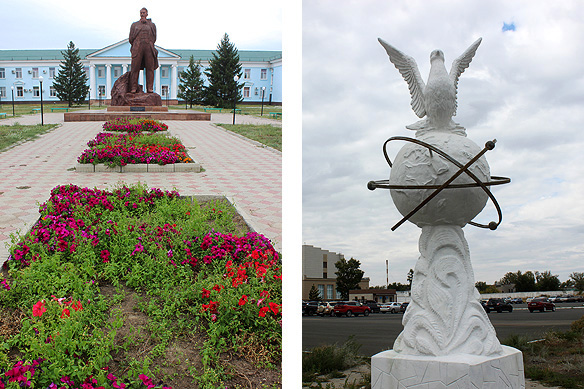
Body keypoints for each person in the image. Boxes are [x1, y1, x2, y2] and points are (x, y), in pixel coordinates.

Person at [129, 7, 158, 93]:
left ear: (147, 14)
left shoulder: (152, 25)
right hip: (138, 47)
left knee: (150, 68)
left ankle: (150, 88)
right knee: (135, 68)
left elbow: (154, 37)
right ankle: (133, 87)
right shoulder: (134, 25)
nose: (142, 14)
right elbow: (131, 38)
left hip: (148, 47)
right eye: (141, 13)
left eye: (144, 13)